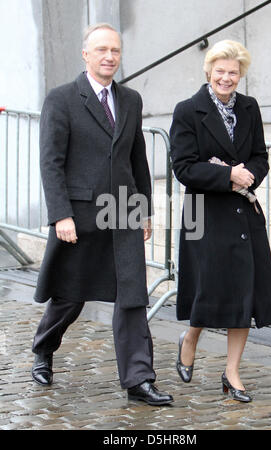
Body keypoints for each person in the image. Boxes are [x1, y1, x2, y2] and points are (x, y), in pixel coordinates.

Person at [31, 23, 173, 406]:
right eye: (101, 50)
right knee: (69, 296)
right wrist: (60, 214)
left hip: (124, 214)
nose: (109, 56)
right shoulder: (61, 100)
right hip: (78, 216)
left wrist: (143, 209)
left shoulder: (131, 100)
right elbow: (51, 163)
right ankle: (43, 348)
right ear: (85, 54)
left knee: (131, 296)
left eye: (115, 50)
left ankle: (138, 379)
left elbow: (136, 159)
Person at [170, 40, 271, 402]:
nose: (226, 77)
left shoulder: (249, 108)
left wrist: (249, 174)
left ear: (240, 75)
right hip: (205, 213)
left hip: (243, 214)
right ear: (208, 71)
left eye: (233, 72)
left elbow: (260, 157)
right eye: (220, 71)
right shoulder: (188, 110)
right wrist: (229, 176)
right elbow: (184, 168)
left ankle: (231, 372)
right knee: (210, 287)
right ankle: (191, 338)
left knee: (243, 293)